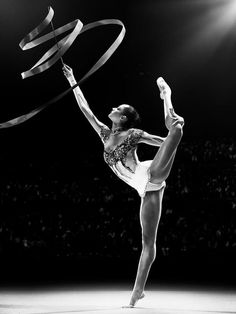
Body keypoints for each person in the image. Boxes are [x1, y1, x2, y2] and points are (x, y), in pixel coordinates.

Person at [63, 64, 184, 307]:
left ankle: (166, 97)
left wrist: (169, 144)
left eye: (117, 109)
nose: (112, 109)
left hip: (150, 173)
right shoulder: (105, 134)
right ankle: (138, 292)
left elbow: (163, 141)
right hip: (144, 190)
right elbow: (85, 109)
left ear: (124, 118)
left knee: (177, 128)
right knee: (148, 243)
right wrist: (72, 79)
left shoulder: (134, 134)